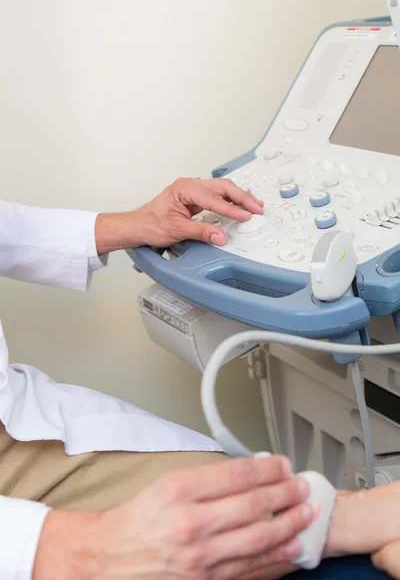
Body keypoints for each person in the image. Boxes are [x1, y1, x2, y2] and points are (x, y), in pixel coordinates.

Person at [2, 176, 400, 579]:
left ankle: (347, 519)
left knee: (228, 501)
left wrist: (128, 225)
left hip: (18, 434)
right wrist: (63, 550)